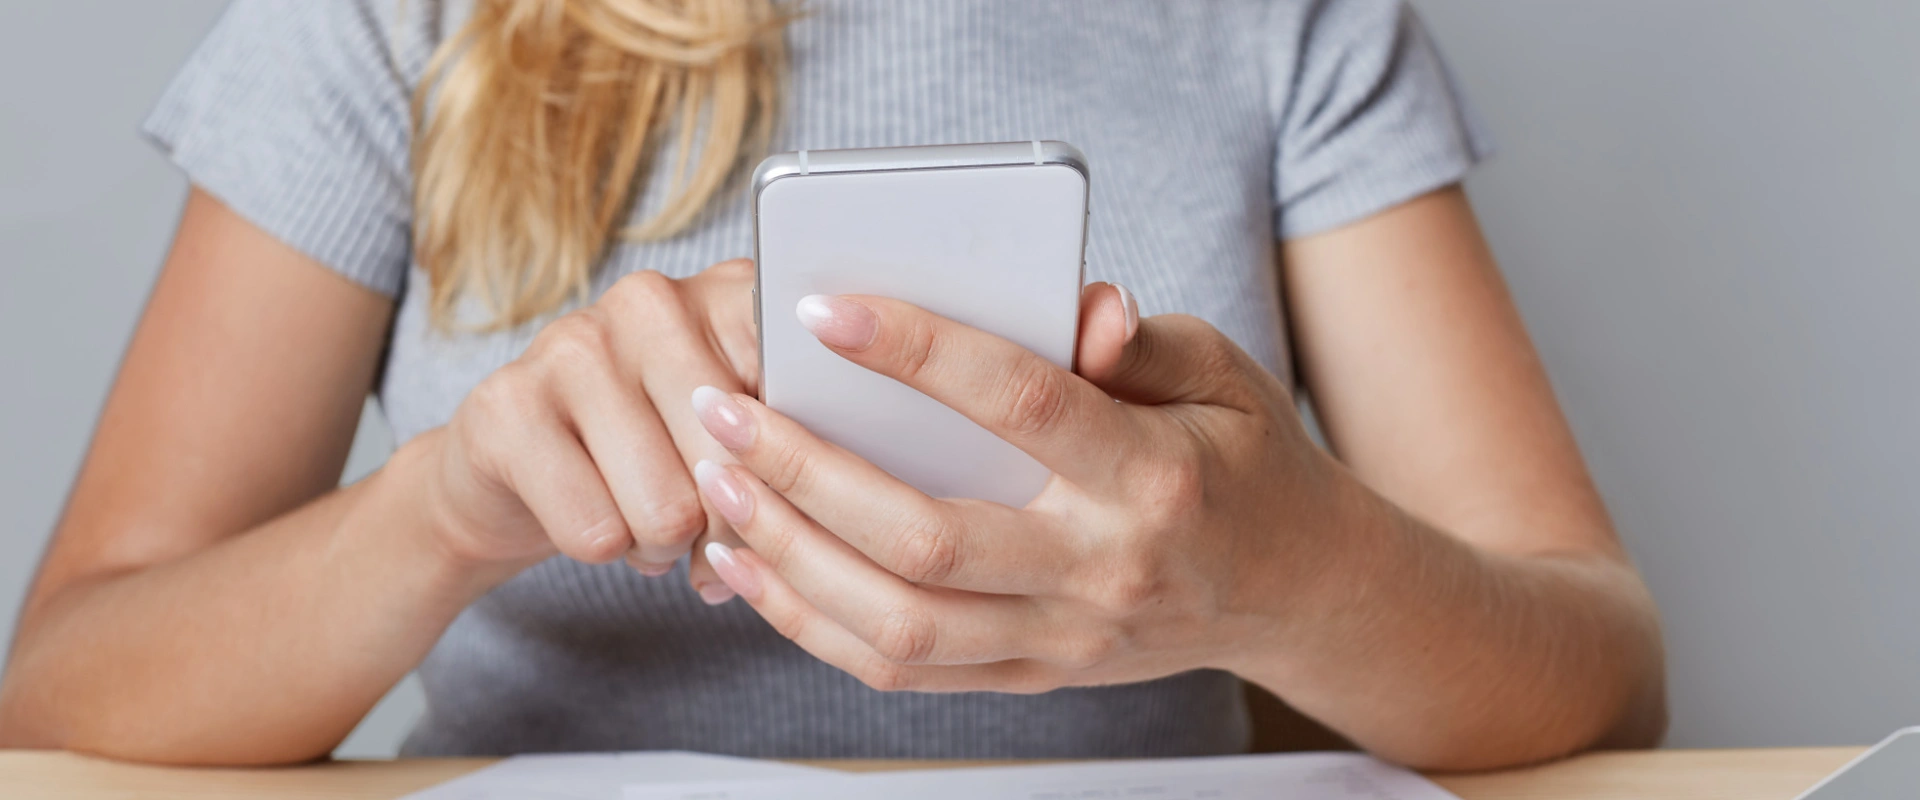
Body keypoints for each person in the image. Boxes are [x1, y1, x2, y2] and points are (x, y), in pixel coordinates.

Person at [0, 0, 1666, 769]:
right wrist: (443, 507)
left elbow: (1599, 665)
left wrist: (1296, 572)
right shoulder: (381, 25)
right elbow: (66, 688)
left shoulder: (1274, 22)